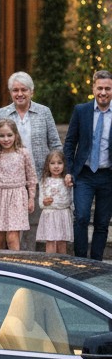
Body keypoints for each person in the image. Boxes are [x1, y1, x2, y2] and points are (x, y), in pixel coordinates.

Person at [0, 71, 62, 251]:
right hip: (8, 180)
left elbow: (55, 143)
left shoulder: (43, 112)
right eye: (15, 90)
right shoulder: (2, 113)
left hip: (38, 178)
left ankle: (27, 264)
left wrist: (58, 171)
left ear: (31, 91)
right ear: (10, 92)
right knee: (8, 229)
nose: (19, 94)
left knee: (31, 225)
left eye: (24, 89)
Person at [64, 70, 112, 260]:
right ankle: (81, 261)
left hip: (107, 176)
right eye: (99, 88)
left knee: (102, 222)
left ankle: (96, 264)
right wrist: (69, 171)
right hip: (83, 174)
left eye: (107, 88)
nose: (103, 92)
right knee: (81, 217)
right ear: (93, 88)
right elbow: (69, 143)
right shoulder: (81, 111)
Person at [0, 120, 36, 251]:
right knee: (0, 238)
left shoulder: (23, 153)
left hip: (18, 196)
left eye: (9, 135)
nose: (6, 139)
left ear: (16, 135)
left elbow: (31, 176)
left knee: (12, 237)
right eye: (2, 136)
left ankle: (15, 265)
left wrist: (31, 198)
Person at [37, 150, 73, 254]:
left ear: (64, 164)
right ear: (47, 165)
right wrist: (45, 202)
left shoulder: (67, 181)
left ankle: (61, 265)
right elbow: (41, 203)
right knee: (50, 241)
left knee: (62, 242)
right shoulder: (44, 181)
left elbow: (69, 200)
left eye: (59, 163)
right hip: (49, 214)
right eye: (52, 163)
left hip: (63, 214)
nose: (56, 166)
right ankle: (50, 264)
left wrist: (57, 203)